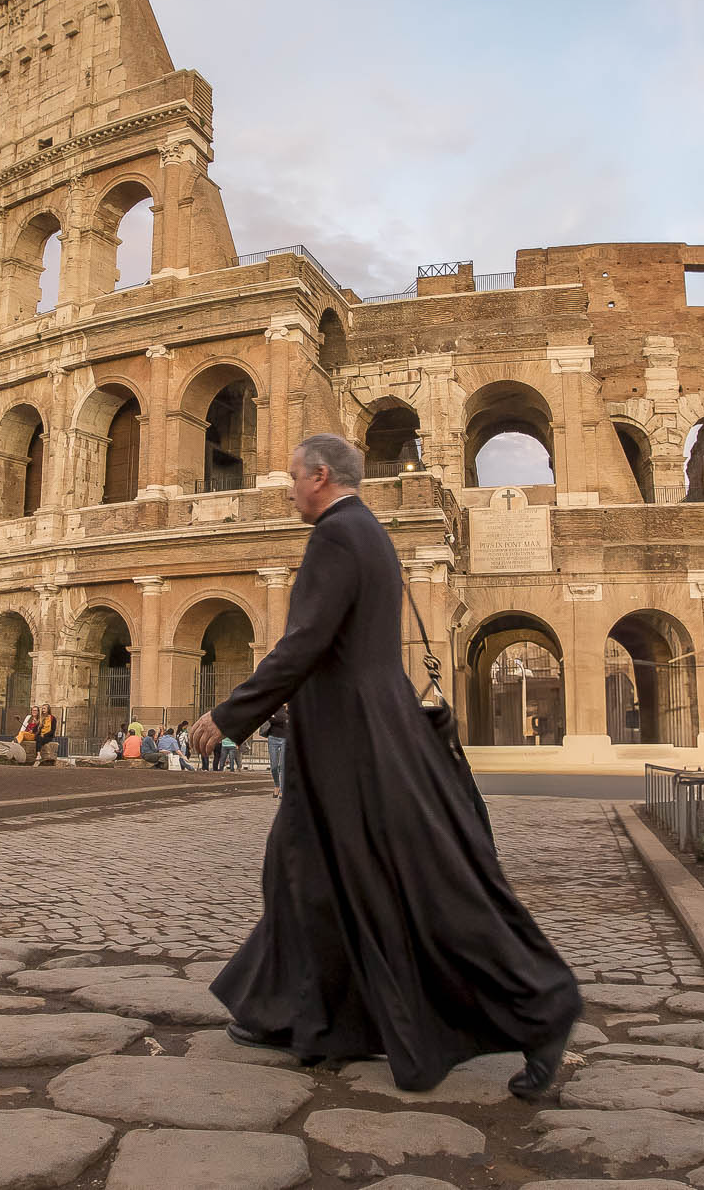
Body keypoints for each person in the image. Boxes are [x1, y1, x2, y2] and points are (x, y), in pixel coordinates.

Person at [187, 433, 580, 1099]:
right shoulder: (367, 531)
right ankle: (293, 1013)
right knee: (302, 871)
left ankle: (541, 1007)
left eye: (292, 477)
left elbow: (303, 643)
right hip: (352, 735)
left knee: (417, 885)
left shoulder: (339, 537)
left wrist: (230, 714)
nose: (287, 490)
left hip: (353, 744)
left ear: (320, 474)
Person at [266, 705, 290, 797]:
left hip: (285, 739)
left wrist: (275, 719)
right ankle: (277, 785)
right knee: (274, 766)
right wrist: (283, 720)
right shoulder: (274, 705)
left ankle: (282, 790)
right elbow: (268, 718)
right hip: (272, 738)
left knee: (283, 766)